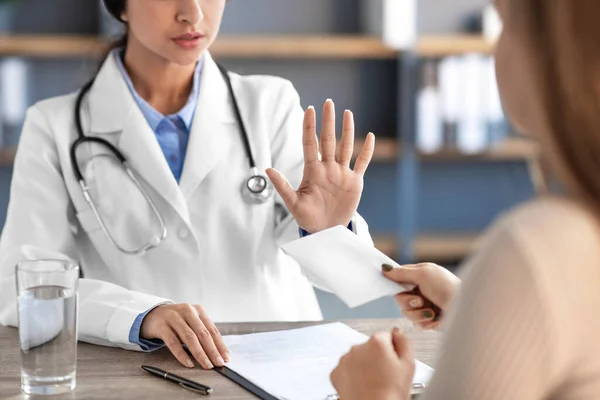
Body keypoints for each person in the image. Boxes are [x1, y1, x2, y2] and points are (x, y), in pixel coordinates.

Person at [0, 0, 376, 370]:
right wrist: (143, 315)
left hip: (281, 361)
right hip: (150, 367)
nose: (193, 13)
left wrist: (328, 230)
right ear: (120, 6)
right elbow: (27, 290)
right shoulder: (53, 127)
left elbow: (347, 279)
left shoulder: (270, 104)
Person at [331, 0, 600, 398]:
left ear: (555, 53)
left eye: (505, 25)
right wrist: (477, 311)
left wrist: (375, 392)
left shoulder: (536, 249)